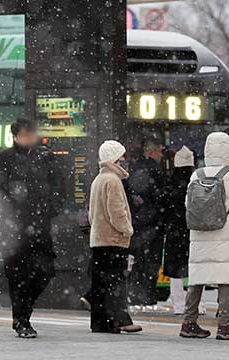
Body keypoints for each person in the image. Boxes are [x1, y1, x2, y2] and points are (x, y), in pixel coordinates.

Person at [0, 117, 66, 338]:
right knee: (18, 276)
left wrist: (52, 208)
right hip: (13, 230)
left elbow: (60, 185)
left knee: (44, 273)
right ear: (15, 136)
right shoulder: (2, 160)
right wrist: (8, 212)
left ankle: (24, 310)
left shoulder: (45, 158)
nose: (28, 138)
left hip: (40, 227)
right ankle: (21, 320)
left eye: (31, 134)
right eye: (24, 135)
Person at [179, 132, 229, 341]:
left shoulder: (196, 174)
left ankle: (189, 322)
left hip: (199, 232)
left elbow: (188, 205)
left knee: (197, 279)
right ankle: (224, 327)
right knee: (224, 280)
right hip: (225, 232)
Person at [88, 140, 142, 334]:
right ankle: (118, 320)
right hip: (113, 239)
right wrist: (127, 229)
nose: (125, 160)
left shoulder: (98, 179)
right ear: (115, 159)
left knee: (101, 284)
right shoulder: (113, 180)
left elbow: (91, 213)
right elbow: (117, 211)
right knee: (115, 283)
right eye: (121, 157)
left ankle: (100, 322)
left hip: (98, 239)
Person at [163, 146, 205, 315]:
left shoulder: (169, 181)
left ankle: (178, 304)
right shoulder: (197, 180)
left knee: (175, 270)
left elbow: (164, 206)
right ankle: (198, 304)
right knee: (195, 267)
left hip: (174, 230)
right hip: (193, 229)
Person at [126, 137, 166, 309]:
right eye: (159, 151)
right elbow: (161, 197)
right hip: (152, 224)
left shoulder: (133, 169)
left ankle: (135, 293)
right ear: (150, 151)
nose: (161, 155)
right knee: (151, 261)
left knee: (137, 260)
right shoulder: (155, 171)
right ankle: (148, 294)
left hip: (136, 224)